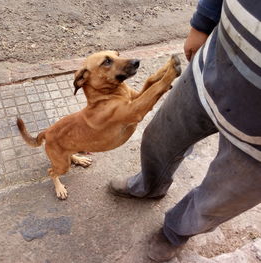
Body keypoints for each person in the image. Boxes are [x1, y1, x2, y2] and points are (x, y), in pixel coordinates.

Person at [108, 0, 261, 262]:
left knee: (220, 198)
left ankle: (175, 232)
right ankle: (149, 184)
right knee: (159, 139)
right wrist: (204, 20)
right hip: (212, 68)